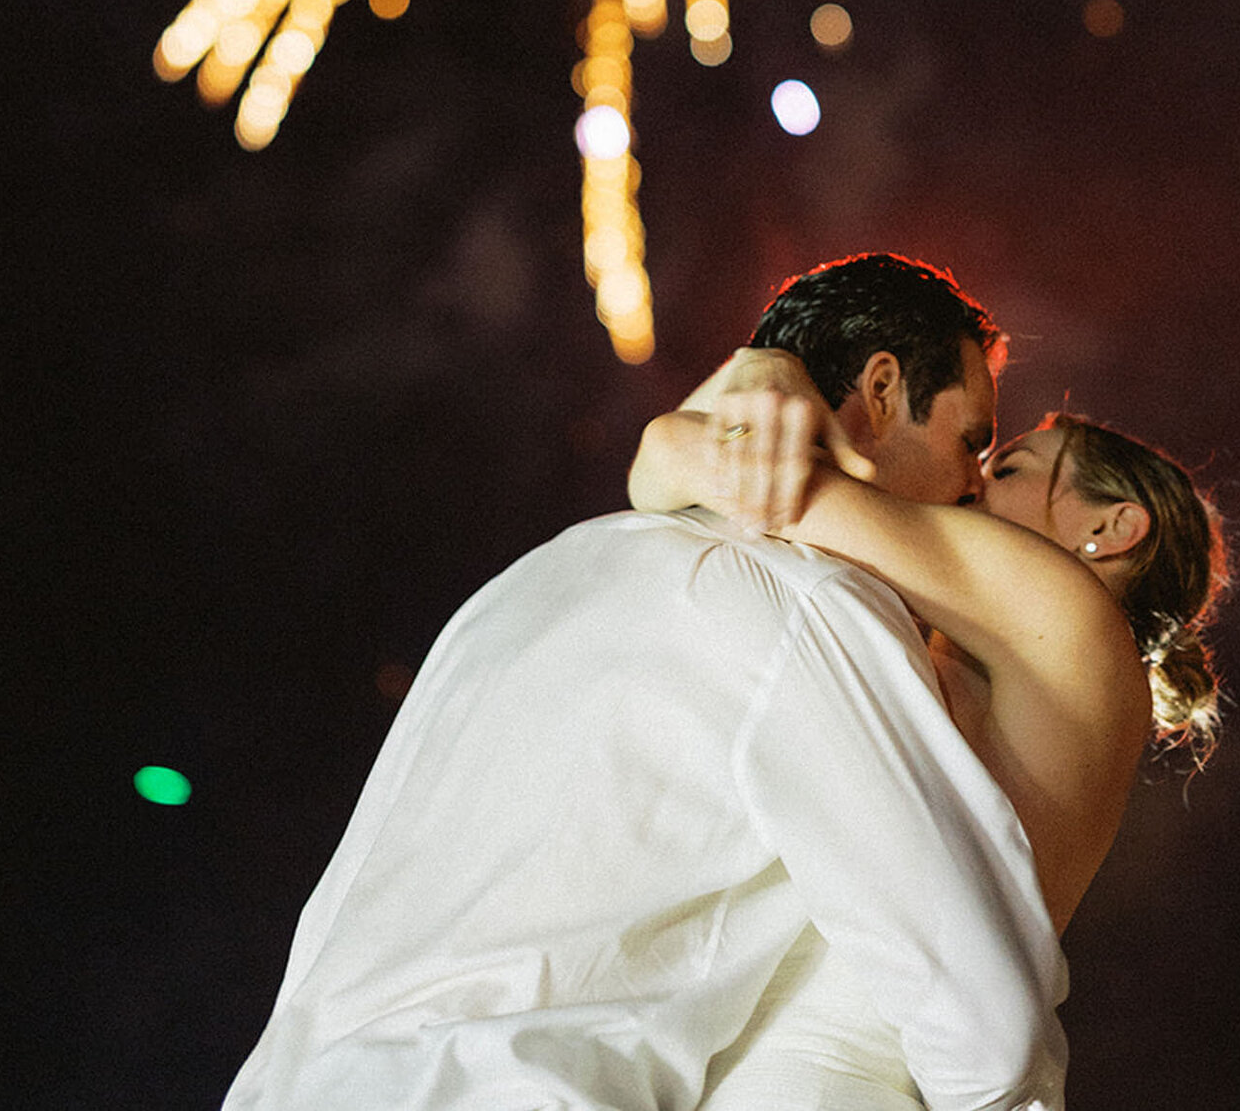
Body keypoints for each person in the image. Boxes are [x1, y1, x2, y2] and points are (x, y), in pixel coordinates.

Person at [221, 255, 1067, 1111]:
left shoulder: (532, 578)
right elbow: (986, 1029)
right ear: (882, 390)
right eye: (972, 442)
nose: (971, 490)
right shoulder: (814, 603)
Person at [628, 338, 1228, 1106]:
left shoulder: (1065, 612)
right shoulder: (1031, 653)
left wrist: (765, 380)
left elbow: (725, 474)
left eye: (1007, 468)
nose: (971, 479)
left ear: (1112, 528)